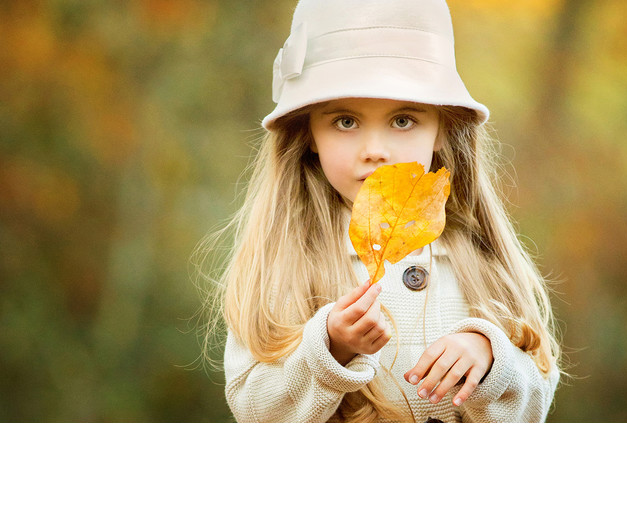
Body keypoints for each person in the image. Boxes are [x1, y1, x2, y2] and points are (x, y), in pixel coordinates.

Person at [215, 0, 560, 422]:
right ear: (308, 132)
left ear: (442, 126)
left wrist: (490, 360)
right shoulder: (285, 262)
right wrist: (330, 349)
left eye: (402, 121)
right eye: (345, 121)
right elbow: (255, 413)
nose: (374, 150)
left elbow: (536, 403)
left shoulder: (478, 256)